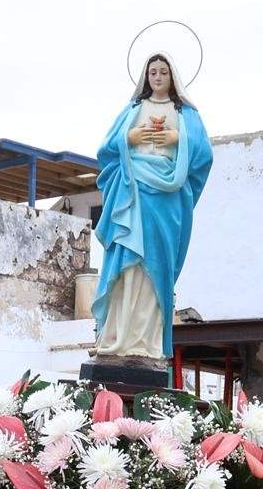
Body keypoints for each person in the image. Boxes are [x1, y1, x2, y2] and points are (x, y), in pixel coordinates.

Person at [90, 51, 212, 363]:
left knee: (154, 268)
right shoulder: (133, 109)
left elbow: (203, 155)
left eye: (163, 73)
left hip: (166, 197)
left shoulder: (186, 114)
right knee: (127, 263)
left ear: (173, 78)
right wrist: (129, 137)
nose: (157, 77)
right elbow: (106, 148)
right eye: (152, 72)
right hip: (133, 193)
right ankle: (117, 338)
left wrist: (177, 138)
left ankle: (145, 343)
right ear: (146, 76)